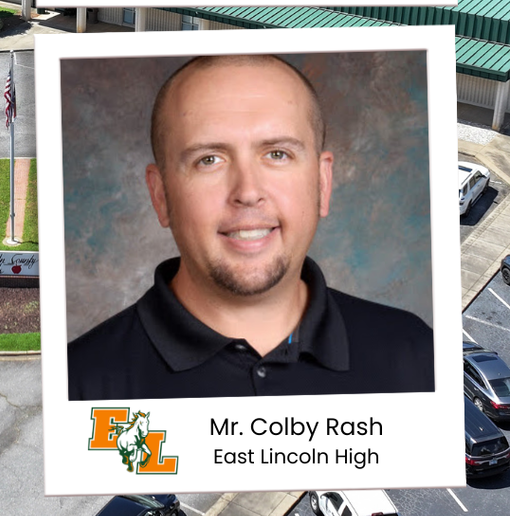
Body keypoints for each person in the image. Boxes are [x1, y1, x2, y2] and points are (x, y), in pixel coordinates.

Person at [67, 54, 433, 399]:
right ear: (161, 195)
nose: (247, 192)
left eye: (277, 154)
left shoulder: (416, 355)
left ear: (322, 184)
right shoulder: (78, 384)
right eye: (209, 160)